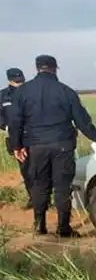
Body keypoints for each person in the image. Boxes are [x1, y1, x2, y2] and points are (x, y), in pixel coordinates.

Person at [7, 55, 96, 237]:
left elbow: (15, 122)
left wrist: (16, 146)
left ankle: (39, 226)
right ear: (55, 68)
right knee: (62, 187)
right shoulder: (66, 92)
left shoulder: (22, 92)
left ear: (37, 68)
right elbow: (83, 121)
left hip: (35, 147)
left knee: (39, 185)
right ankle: (63, 228)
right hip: (62, 146)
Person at [0, 68, 34, 209]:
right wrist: (6, 126)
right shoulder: (3, 96)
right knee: (25, 169)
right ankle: (33, 198)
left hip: (34, 135)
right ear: (10, 79)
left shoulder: (31, 92)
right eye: (16, 79)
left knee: (41, 168)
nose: (20, 82)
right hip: (16, 138)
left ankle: (44, 197)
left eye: (21, 79)